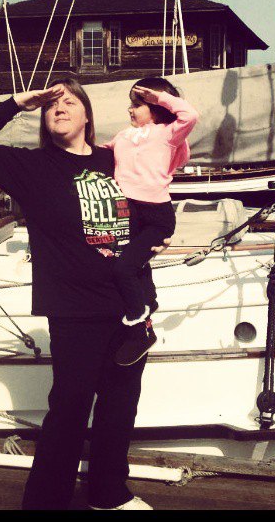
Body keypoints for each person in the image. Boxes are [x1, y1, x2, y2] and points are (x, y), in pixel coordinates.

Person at [0, 77, 170, 510]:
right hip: (75, 309)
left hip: (131, 305)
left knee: (120, 407)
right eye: (51, 103)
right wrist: (19, 101)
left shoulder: (117, 157)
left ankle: (109, 494)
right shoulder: (31, 167)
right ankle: (45, 502)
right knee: (70, 408)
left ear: (88, 114)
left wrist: (153, 239)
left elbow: (152, 196)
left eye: (70, 101)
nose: (59, 107)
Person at [101, 77, 199, 364]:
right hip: (128, 211)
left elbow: (190, 115)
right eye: (131, 105)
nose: (130, 110)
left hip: (157, 216)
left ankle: (139, 331)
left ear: (156, 107)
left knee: (124, 269)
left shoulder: (168, 134)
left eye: (137, 105)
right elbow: (98, 155)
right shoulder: (123, 136)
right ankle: (149, 302)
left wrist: (159, 98)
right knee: (134, 264)